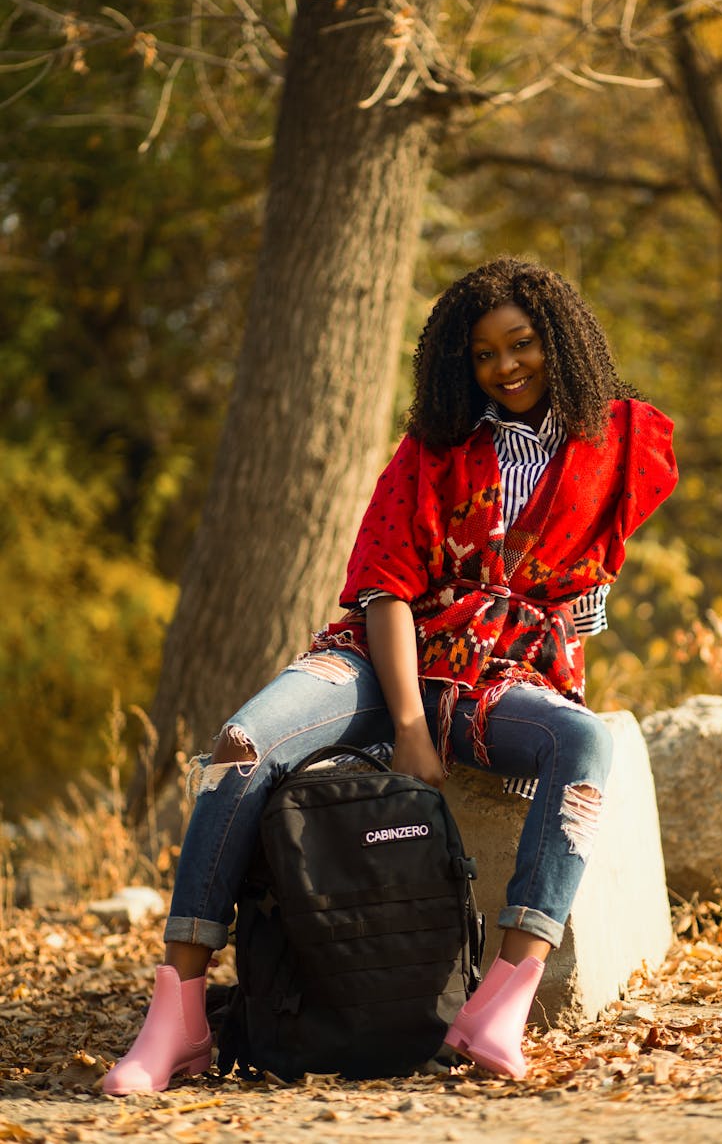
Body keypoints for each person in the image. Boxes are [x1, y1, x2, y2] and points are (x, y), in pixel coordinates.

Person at [103, 256, 677, 1095]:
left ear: (557, 342)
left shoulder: (620, 443)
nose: (505, 367)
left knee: (585, 743)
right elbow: (387, 590)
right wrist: (408, 727)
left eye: (521, 345)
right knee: (237, 746)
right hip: (381, 663)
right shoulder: (432, 452)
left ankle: (500, 1001)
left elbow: (588, 583)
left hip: (500, 677)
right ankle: (179, 1015)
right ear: (459, 364)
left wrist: (568, 607)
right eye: (483, 354)